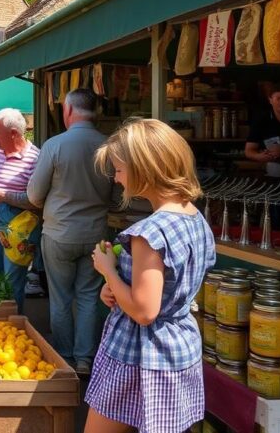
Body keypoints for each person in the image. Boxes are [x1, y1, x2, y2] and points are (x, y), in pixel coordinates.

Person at [87, 118, 214, 433]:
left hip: (139, 355)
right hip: (178, 350)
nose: (116, 179)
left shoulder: (149, 233)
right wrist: (117, 290)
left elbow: (145, 311)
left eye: (119, 169)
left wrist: (109, 271)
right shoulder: (195, 217)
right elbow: (166, 290)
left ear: (144, 168)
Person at [27, 89, 113, 375]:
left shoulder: (55, 145)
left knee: (60, 297)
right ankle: (85, 359)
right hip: (96, 233)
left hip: (59, 232)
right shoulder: (108, 146)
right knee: (89, 296)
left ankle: (64, 358)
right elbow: (116, 197)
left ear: (68, 111)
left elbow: (34, 194)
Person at [0, 109, 40, 312]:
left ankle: (13, 326)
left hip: (18, 235)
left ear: (13, 133)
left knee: (12, 284)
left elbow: (36, 201)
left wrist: (2, 196)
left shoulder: (34, 158)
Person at [245, 81, 280, 178]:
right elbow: (249, 150)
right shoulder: (261, 119)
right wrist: (259, 156)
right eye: (278, 98)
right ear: (270, 100)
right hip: (271, 170)